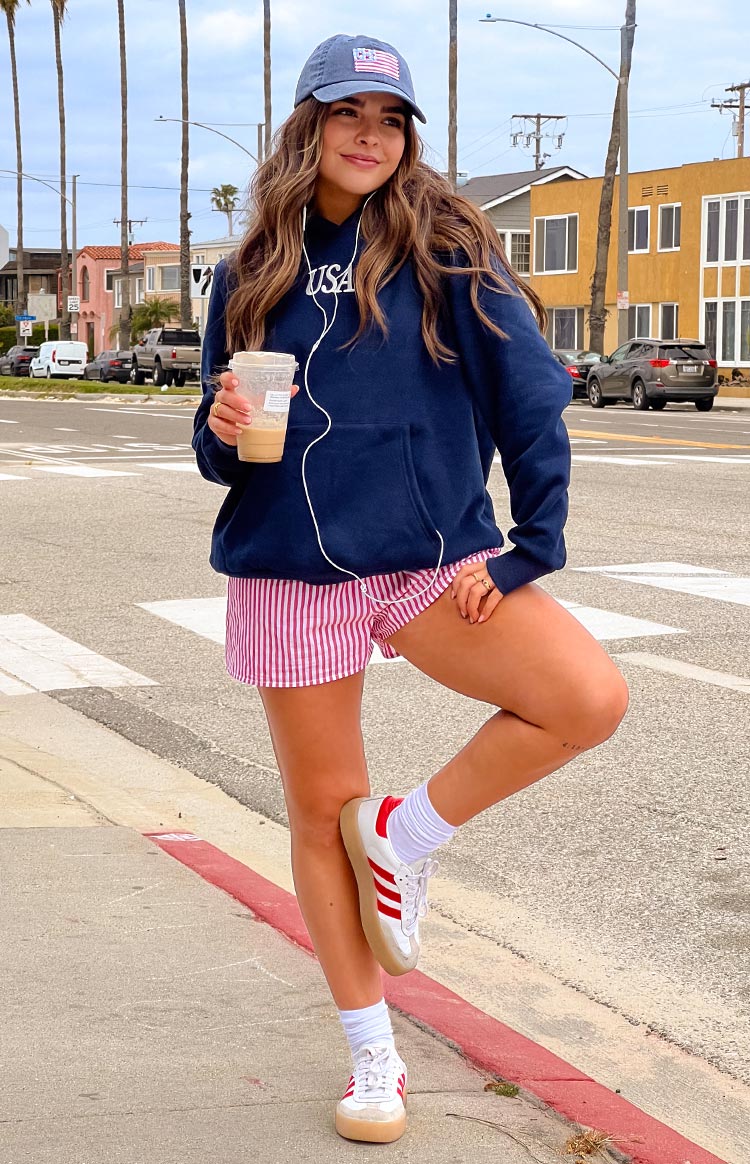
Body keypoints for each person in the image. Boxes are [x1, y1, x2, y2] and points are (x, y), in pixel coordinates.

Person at [193, 33, 629, 1145]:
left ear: (408, 138)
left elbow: (531, 394)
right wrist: (223, 427)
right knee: (316, 815)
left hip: (431, 561)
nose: (370, 136)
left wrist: (533, 545)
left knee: (586, 699)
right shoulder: (249, 273)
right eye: (349, 113)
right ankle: (373, 1058)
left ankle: (408, 829)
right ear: (309, 126)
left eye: (390, 119)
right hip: (291, 566)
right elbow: (216, 447)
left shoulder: (446, 250)